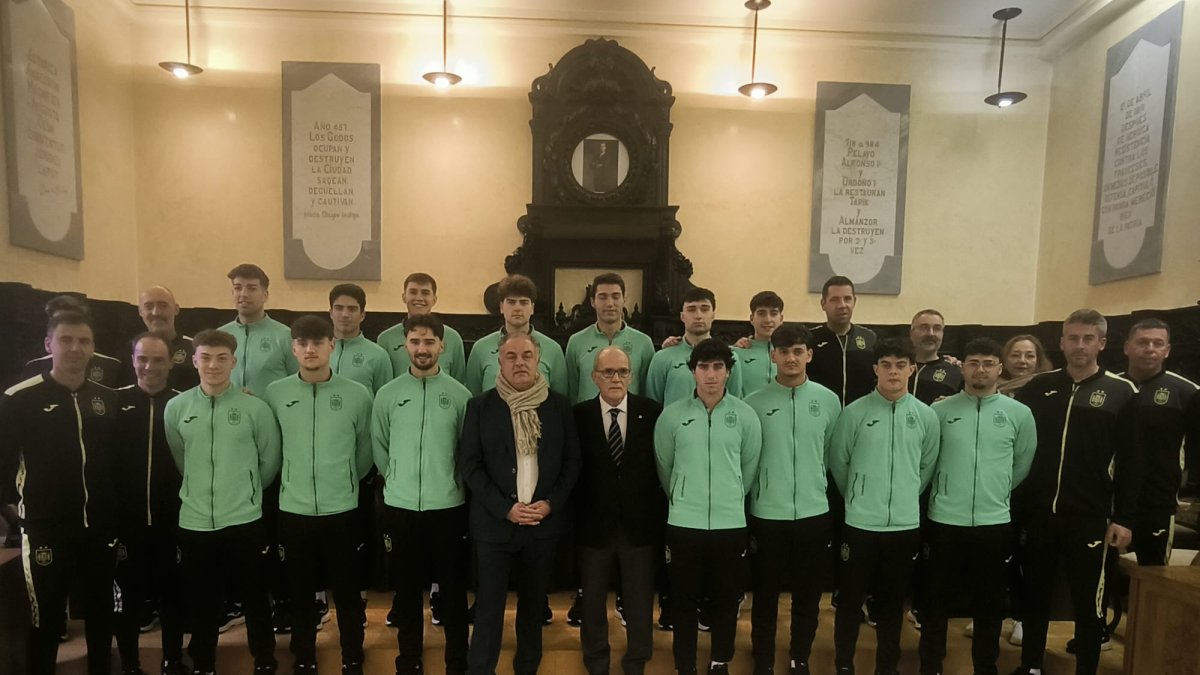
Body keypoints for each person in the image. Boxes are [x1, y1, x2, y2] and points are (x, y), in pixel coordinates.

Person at [1011, 309, 1140, 675]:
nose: (1079, 346)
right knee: (1035, 593)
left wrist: (1123, 518)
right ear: (1062, 341)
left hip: (1090, 517)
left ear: (1101, 343)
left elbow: (1132, 462)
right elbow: (1018, 448)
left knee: (1088, 601)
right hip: (1039, 514)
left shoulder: (1121, 392)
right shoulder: (1038, 388)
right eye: (1073, 338)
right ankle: (1031, 666)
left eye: (1088, 339)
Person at [0, 310, 119, 675]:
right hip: (45, 528)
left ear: (93, 348)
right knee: (47, 617)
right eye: (66, 340)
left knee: (101, 612)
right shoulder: (19, 398)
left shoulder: (106, 399)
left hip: (99, 528)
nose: (75, 348)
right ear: (48, 344)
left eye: (83, 341)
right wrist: (15, 516)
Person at [460, 331, 581, 675]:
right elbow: (470, 465)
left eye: (526, 356)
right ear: (499, 362)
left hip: (542, 526)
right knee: (488, 610)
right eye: (511, 357)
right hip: (495, 526)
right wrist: (505, 508)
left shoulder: (558, 406)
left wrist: (550, 504)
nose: (519, 363)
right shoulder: (480, 406)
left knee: (532, 610)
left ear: (537, 360)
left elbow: (573, 462)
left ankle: (526, 669)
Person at [164, 329, 281, 675]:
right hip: (195, 523)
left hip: (244, 520)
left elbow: (269, 462)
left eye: (221, 358)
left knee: (256, 598)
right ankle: (204, 664)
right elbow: (180, 460)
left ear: (234, 361)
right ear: (194, 360)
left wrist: (244, 493)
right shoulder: (177, 407)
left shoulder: (255, 408)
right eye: (205, 357)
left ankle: (264, 661)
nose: (212, 365)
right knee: (203, 602)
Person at [917, 338, 1036, 675]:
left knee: (990, 604)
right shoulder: (938, 411)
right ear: (962, 367)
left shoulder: (1019, 414)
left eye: (988, 363)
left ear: (999, 368)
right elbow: (926, 461)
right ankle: (931, 666)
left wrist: (994, 492)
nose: (980, 369)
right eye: (973, 363)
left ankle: (986, 666)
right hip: (943, 520)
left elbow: (1022, 463)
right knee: (935, 602)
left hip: (993, 522)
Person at [264, 316, 373, 674]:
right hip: (293, 510)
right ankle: (305, 655)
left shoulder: (357, 394)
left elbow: (364, 452)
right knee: (298, 590)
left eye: (317, 342)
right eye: (302, 343)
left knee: (347, 590)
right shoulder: (276, 393)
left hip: (341, 508)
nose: (310, 350)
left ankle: (353, 654)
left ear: (332, 346)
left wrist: (343, 482)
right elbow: (271, 449)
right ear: (293, 347)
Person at [828, 337, 939, 675]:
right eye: (887, 365)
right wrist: (861, 498)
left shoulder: (925, 416)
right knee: (849, 602)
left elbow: (926, 467)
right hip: (860, 524)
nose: (894, 372)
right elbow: (840, 465)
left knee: (891, 605)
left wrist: (902, 496)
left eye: (901, 365)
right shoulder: (854, 413)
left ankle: (886, 667)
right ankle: (844, 665)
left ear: (912, 369)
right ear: (876, 369)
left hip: (904, 527)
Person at [654, 338, 762, 675]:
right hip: (684, 522)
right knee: (683, 599)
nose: (711, 374)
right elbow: (665, 467)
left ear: (729, 372)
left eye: (718, 367)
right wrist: (685, 497)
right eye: (704, 367)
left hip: (730, 524)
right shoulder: (671, 416)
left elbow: (749, 468)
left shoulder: (745, 416)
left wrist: (729, 497)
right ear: (693, 371)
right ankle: (684, 663)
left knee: (726, 599)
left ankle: (720, 660)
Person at [373, 313, 473, 675]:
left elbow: (467, 451)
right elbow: (380, 447)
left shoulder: (460, 396)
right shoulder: (388, 395)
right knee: (407, 592)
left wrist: (447, 483)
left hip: (448, 508)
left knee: (453, 591)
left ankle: (457, 662)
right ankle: (409, 660)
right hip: (400, 509)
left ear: (442, 346)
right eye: (415, 341)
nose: (422, 348)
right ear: (405, 345)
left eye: (429, 342)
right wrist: (397, 480)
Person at [744, 325, 840, 675]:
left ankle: (800, 655)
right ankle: (764, 659)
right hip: (768, 514)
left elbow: (834, 455)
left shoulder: (829, 401)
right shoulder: (753, 403)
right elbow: (747, 459)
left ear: (809, 355)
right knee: (765, 595)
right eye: (783, 351)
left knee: (808, 596)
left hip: (814, 514)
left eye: (798, 351)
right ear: (773, 355)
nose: (791, 358)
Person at [573, 346, 664, 675]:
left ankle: (636, 662)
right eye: (608, 372)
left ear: (632, 375)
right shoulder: (578, 416)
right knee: (593, 603)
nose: (616, 378)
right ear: (594, 377)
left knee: (640, 604)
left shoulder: (652, 412)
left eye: (622, 371)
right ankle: (596, 663)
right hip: (593, 527)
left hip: (639, 526)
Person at [113, 332, 188, 675]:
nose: (149, 366)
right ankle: (130, 664)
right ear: (132, 360)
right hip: (125, 525)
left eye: (158, 359)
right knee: (127, 601)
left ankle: (173, 661)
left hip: (172, 522)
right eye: (142, 358)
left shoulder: (186, 404)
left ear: (171, 362)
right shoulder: (113, 403)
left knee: (172, 597)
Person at [1119, 319, 1199, 565]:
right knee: (1106, 574)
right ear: (1127, 347)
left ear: (1167, 350)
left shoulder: (1187, 393)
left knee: (1152, 574)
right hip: (1110, 498)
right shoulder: (1111, 387)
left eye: (1158, 343)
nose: (1150, 348)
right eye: (1142, 342)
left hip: (1156, 501)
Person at [465, 274, 568, 396]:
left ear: (532, 308)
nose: (517, 308)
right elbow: (473, 397)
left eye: (524, 302)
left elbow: (560, 401)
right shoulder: (480, 348)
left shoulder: (553, 349)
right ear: (502, 307)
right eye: (511, 302)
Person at [564, 272, 655, 404]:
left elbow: (647, 392)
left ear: (624, 299)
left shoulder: (644, 343)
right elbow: (572, 391)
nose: (610, 303)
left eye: (616, 296)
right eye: (603, 297)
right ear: (592, 302)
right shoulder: (576, 342)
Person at [645, 287, 744, 405]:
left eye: (705, 309)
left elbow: (734, 403)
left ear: (713, 315)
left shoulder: (730, 357)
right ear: (682, 316)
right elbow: (653, 404)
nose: (698, 315)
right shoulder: (662, 358)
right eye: (691, 309)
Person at [217, 263, 298, 396]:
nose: (243, 294)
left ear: (265, 295)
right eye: (237, 288)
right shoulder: (220, 335)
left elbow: (297, 383)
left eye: (251, 288)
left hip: (270, 414)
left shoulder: (285, 335)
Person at [378, 272, 468, 384]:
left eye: (425, 293)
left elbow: (458, 383)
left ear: (434, 299)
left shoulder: (453, 338)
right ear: (404, 297)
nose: (419, 298)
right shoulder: (385, 339)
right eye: (413, 292)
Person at [20, 294, 126, 388]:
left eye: (72, 319)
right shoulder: (35, 367)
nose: (74, 348)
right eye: (58, 320)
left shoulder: (111, 366)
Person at [807, 276, 877, 407]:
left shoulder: (869, 338)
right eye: (834, 300)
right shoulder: (810, 338)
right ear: (823, 304)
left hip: (860, 417)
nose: (842, 305)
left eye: (847, 299)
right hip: (820, 413)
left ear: (854, 302)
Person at [328, 283, 393, 394]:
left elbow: (385, 400)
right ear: (331, 313)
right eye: (339, 308)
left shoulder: (378, 355)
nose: (345, 314)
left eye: (352, 309)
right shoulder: (318, 352)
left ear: (362, 315)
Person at [135, 286, 199, 391]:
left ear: (176, 309)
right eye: (149, 306)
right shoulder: (129, 351)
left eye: (163, 305)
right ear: (140, 312)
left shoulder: (196, 349)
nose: (156, 312)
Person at [733, 291, 783, 396]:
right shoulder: (736, 353)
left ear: (781, 318)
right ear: (751, 318)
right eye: (761, 313)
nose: (768, 320)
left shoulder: (790, 353)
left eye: (773, 313)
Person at [908, 309, 963, 405]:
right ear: (912, 333)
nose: (931, 333)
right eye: (924, 328)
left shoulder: (956, 373)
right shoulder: (896, 368)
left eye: (937, 328)